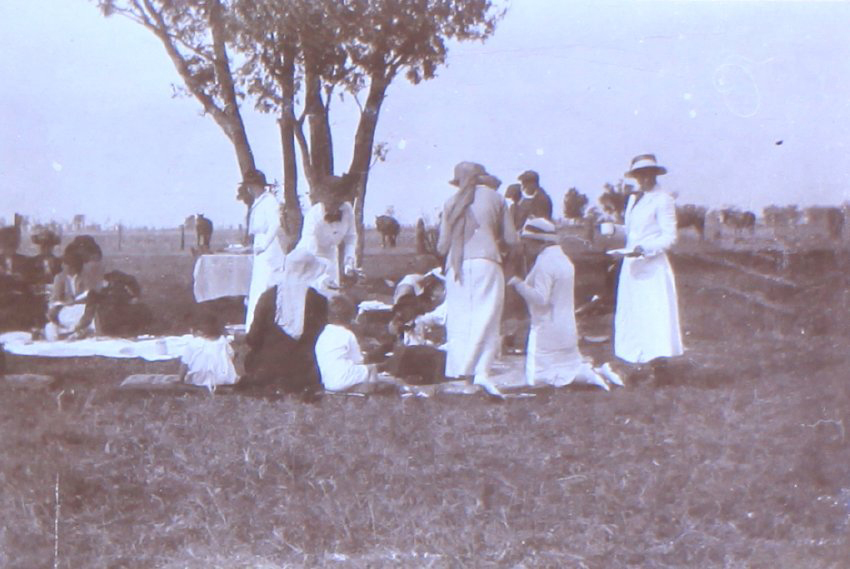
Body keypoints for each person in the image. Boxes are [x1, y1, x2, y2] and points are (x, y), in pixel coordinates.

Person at [437, 161, 519, 395]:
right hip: (486, 261)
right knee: (487, 317)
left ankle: (462, 372)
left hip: (456, 266)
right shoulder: (496, 198)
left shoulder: (450, 203)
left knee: (460, 317)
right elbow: (512, 239)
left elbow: (442, 247)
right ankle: (481, 370)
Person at [508, 218, 620, 390]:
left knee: (537, 379)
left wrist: (518, 284)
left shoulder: (544, 263)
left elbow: (540, 299)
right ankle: (596, 372)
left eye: (528, 243)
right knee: (564, 369)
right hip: (566, 326)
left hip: (548, 329)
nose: (526, 247)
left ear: (539, 242)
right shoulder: (563, 259)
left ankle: (588, 375)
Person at [612, 154, 684, 382]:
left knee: (654, 315)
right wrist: (614, 230)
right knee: (634, 314)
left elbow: (669, 237)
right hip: (632, 265)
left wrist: (644, 249)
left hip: (652, 266)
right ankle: (637, 363)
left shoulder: (663, 200)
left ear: (655, 174)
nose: (643, 179)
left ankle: (659, 370)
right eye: (639, 175)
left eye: (647, 174)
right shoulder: (634, 200)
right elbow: (633, 231)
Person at [241, 249, 329, 394]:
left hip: (269, 365)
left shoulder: (269, 296)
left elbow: (253, 337)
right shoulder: (319, 300)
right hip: (306, 368)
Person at [295, 174, 358, 289]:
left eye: (338, 202)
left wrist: (349, 263)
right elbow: (310, 251)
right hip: (309, 261)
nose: (334, 207)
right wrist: (321, 277)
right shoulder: (313, 216)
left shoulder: (347, 210)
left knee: (332, 297)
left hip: (332, 257)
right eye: (331, 202)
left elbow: (351, 238)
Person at [242, 169, 286, 330]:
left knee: (266, 284)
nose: (250, 189)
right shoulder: (258, 201)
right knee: (258, 285)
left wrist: (264, 244)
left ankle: (265, 325)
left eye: (252, 185)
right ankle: (254, 326)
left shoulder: (270, 201)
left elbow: (275, 224)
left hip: (270, 248)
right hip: (260, 246)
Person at [315, 295, 380, 392]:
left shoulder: (323, 335)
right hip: (343, 379)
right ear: (350, 317)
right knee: (372, 368)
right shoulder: (347, 335)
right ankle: (368, 393)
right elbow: (359, 360)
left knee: (354, 371)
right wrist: (365, 355)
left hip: (328, 382)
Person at [179, 310, 238, 391]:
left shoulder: (193, 343)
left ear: (199, 331)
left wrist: (181, 380)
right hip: (223, 380)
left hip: (198, 380)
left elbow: (184, 365)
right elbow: (232, 357)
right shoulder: (223, 342)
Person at [44, 252, 93, 340]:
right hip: (64, 308)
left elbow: (89, 294)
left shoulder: (85, 276)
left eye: (65, 264)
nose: (62, 266)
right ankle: (72, 331)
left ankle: (77, 331)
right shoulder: (59, 277)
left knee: (88, 313)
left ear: (72, 266)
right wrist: (65, 303)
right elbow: (55, 299)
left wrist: (75, 301)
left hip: (81, 307)